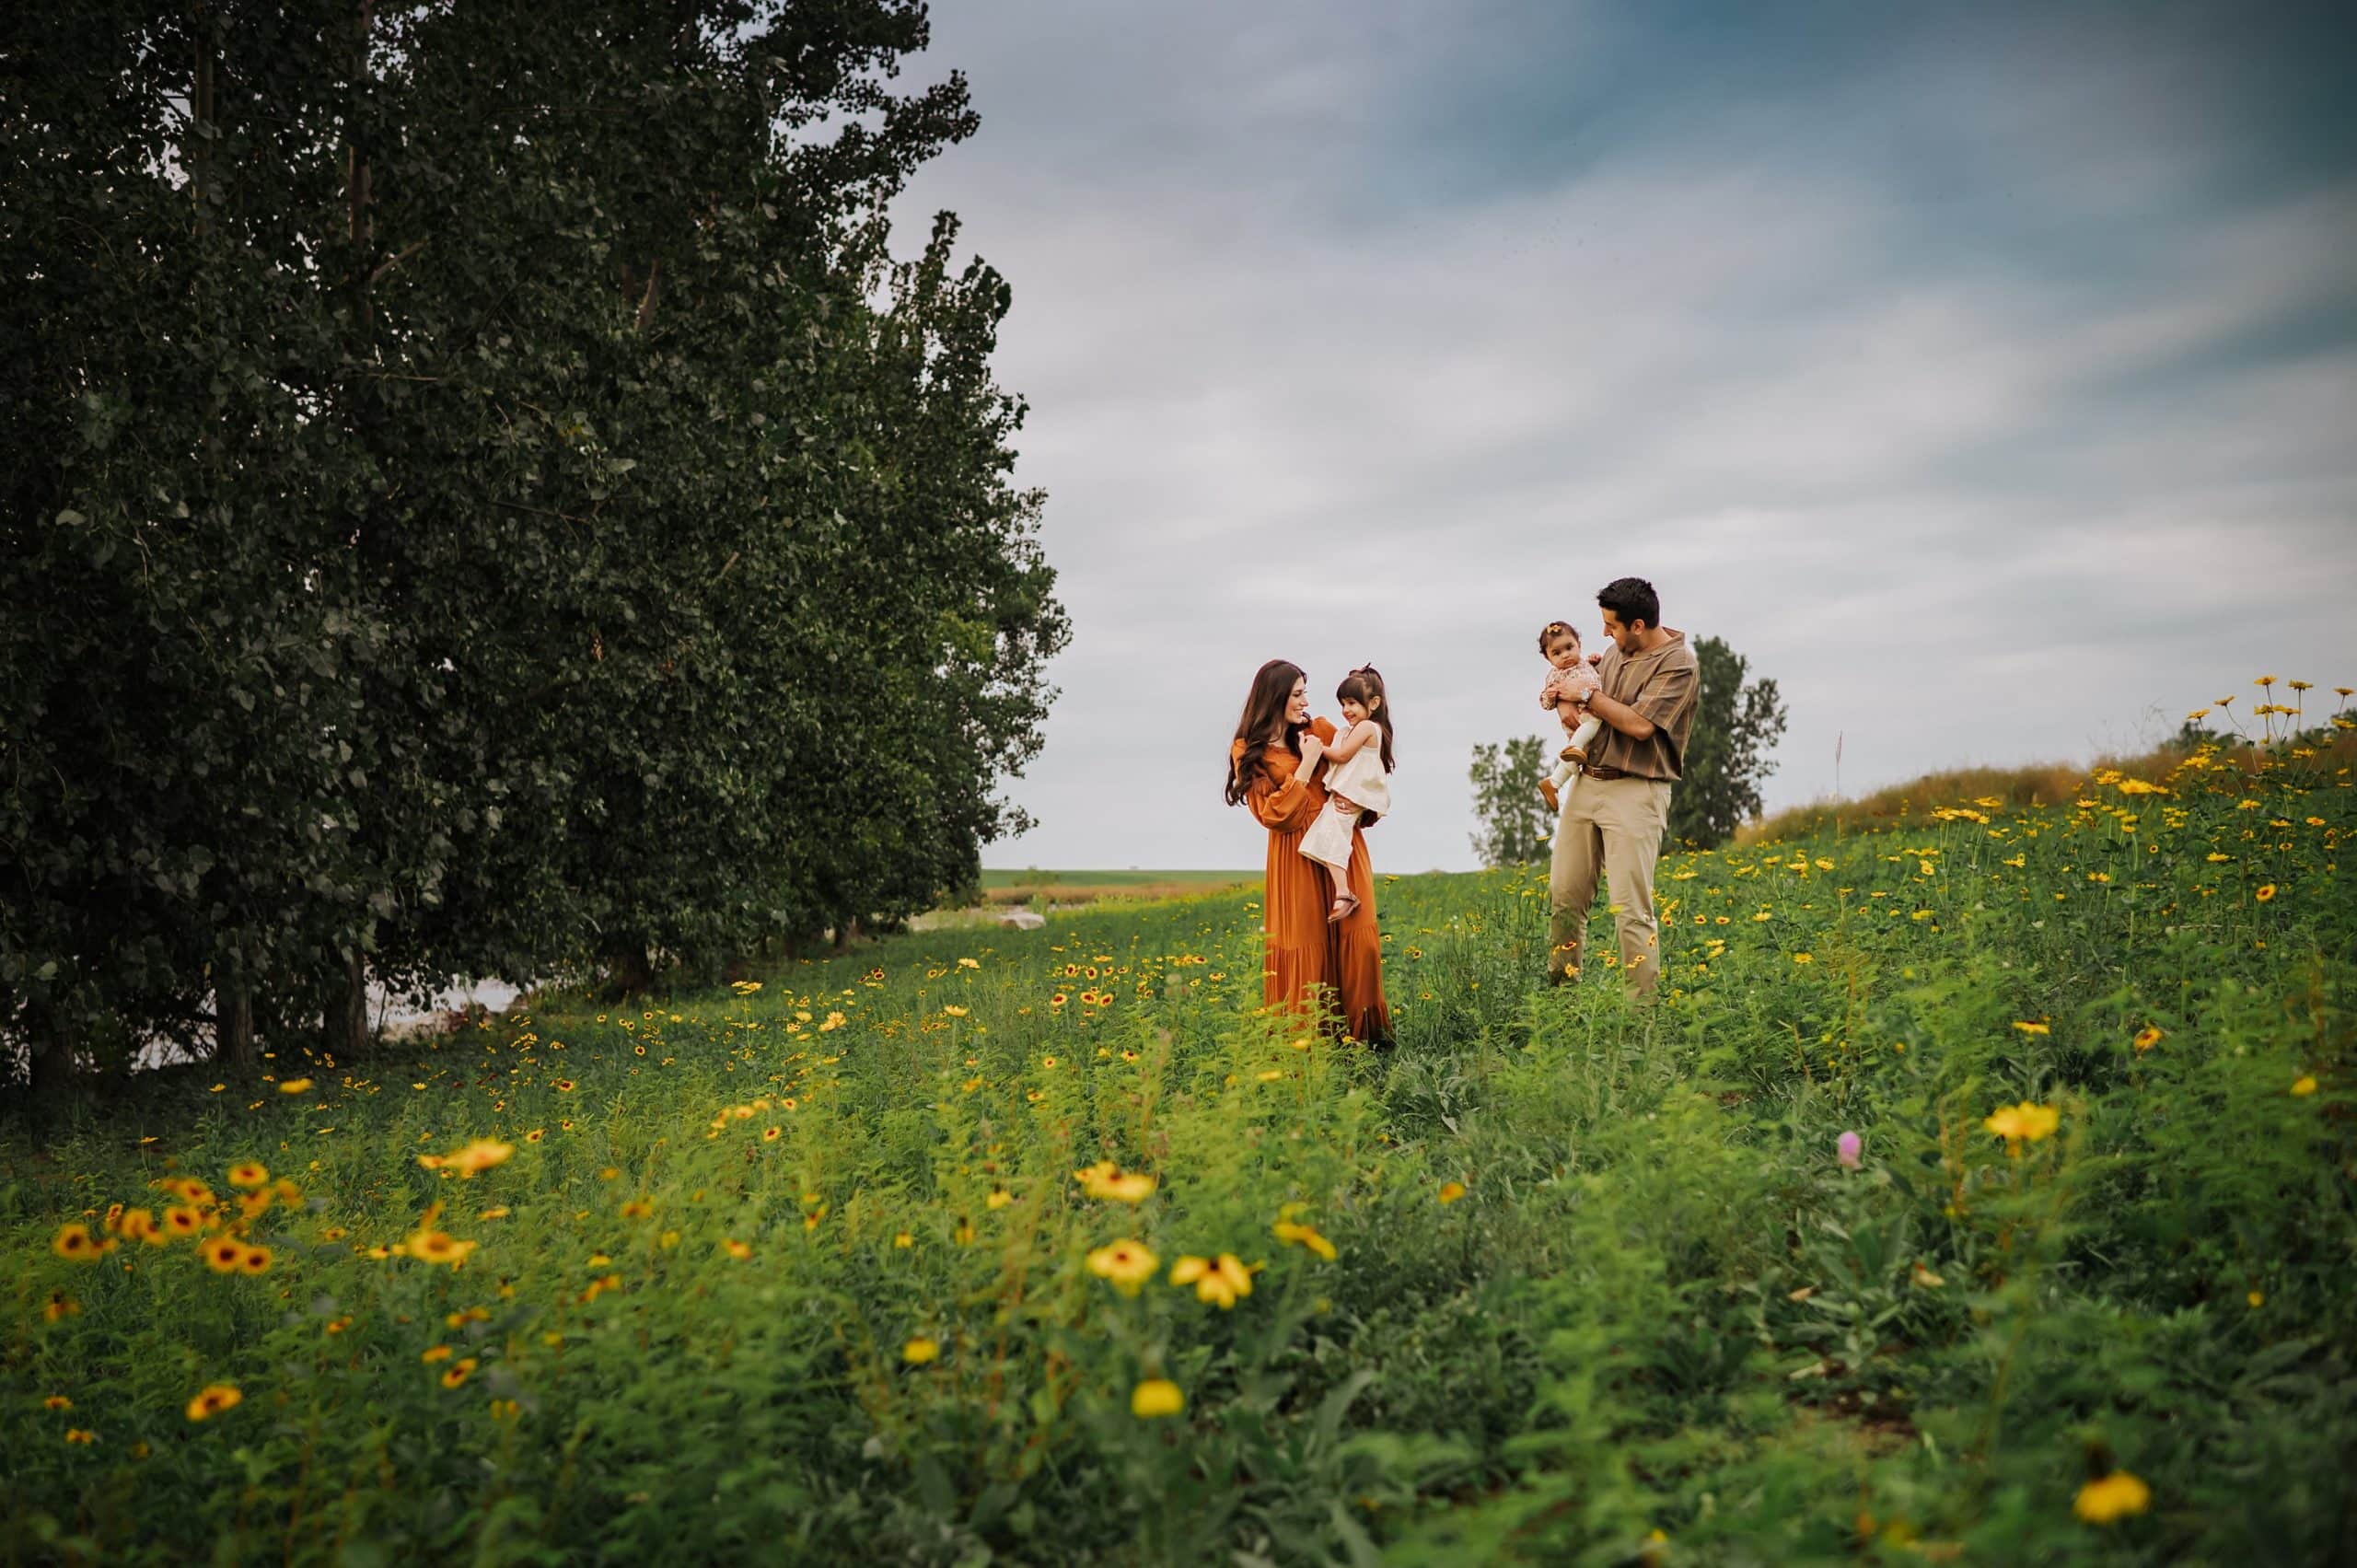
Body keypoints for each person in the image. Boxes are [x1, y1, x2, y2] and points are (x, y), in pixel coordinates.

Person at [1547, 577, 1699, 998]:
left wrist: (1588, 696)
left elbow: (1639, 725)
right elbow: (1589, 703)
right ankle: (1562, 999)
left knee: (1631, 910)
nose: (1604, 633)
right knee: (1564, 897)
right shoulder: (1614, 653)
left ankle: (1641, 1013)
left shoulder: (1678, 663)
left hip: (1637, 790)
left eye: (1611, 625)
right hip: (1587, 782)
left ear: (1637, 625)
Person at [1226, 660, 1392, 1044]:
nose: (1306, 702)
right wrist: (1308, 766)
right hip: (1295, 857)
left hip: (1344, 849)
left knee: (1359, 941)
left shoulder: (1320, 729)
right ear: (1275, 698)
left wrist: (1362, 808)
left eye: (1305, 692)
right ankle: (1308, 1049)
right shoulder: (1247, 750)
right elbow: (1272, 814)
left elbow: (1363, 768)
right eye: (1297, 694)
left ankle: (1366, 1043)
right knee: (1308, 947)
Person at [1299, 667, 1395, 923]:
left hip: (1356, 794)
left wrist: (1314, 749)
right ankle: (1341, 892)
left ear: (1374, 703)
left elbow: (1341, 756)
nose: (1346, 709)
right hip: (1344, 794)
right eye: (1343, 703)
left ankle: (1343, 894)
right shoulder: (1346, 731)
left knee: (1334, 835)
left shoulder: (1368, 727)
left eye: (1352, 702)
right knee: (1326, 836)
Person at [1535, 621, 1602, 815]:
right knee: (1596, 723)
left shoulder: (1585, 663)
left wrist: (1595, 660)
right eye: (1556, 653)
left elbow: (1591, 672)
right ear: (1548, 658)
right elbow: (1545, 701)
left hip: (1585, 721)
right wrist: (1554, 694)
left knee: (1575, 762)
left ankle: (1553, 783)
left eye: (1569, 648)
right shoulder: (1555, 676)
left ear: (1579, 644)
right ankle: (1572, 750)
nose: (1565, 655)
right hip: (1583, 717)